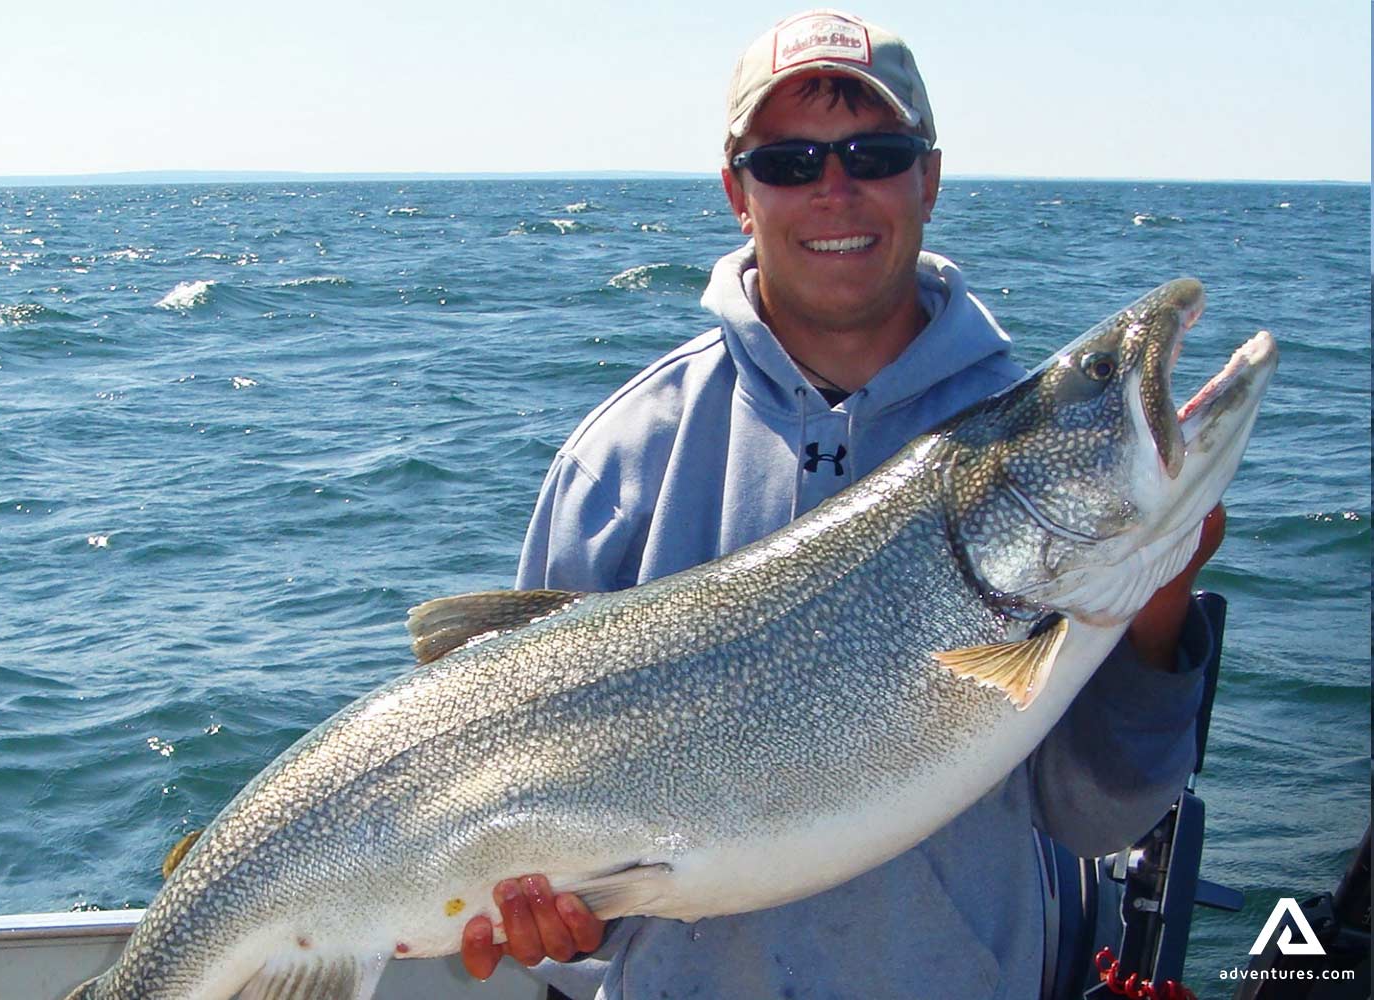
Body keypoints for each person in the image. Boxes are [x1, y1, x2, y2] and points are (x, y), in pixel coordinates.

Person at [460, 9, 1221, 998]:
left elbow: (1097, 817)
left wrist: (1157, 603)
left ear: (929, 179)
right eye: (789, 161)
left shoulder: (1019, 444)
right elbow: (523, 805)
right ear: (738, 192)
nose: (833, 186)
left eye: (874, 151)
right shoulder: (619, 465)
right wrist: (546, 921)